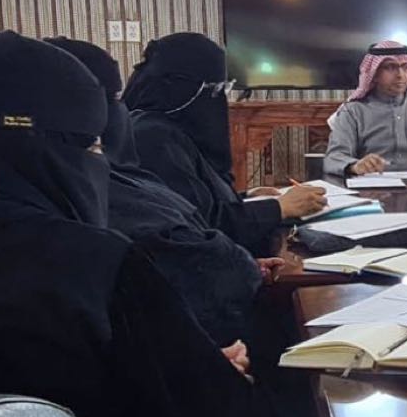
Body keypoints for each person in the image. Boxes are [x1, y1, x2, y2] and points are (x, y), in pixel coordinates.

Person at [0, 31, 332, 417]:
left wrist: (186, 365)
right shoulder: (91, 264)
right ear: (43, 144)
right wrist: (209, 369)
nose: (99, 163)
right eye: (88, 146)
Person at [46, 36, 272, 347]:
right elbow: (179, 251)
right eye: (215, 90)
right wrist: (275, 213)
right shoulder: (150, 139)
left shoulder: (118, 167)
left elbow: (188, 217)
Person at [124, 32, 325, 256]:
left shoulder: (164, 127)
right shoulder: (154, 139)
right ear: (184, 89)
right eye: (216, 90)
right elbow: (200, 227)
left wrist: (245, 197)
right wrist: (279, 207)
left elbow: (195, 200)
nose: (221, 100)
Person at [324, 40, 407, 176]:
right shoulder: (353, 111)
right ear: (374, 74)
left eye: (405, 67)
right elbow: (334, 158)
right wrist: (355, 166)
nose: (400, 75)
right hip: (374, 184)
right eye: (390, 67)